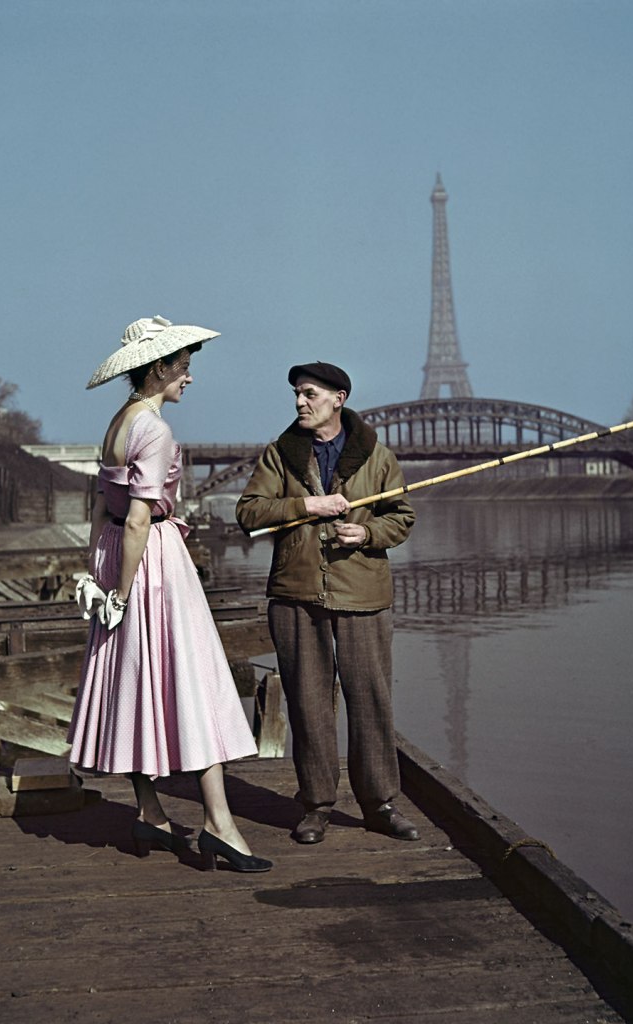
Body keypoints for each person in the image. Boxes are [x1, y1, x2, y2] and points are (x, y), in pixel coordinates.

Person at [67, 316, 272, 873]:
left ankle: (151, 813)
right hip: (151, 561)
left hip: (115, 555)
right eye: (184, 366)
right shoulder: (155, 430)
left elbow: (100, 507)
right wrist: (126, 591)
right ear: (159, 368)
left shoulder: (119, 420)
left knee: (130, 681)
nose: (189, 377)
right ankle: (219, 826)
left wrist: (101, 575)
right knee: (193, 685)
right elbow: (139, 519)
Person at [235, 361, 418, 844]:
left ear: (339, 398)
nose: (300, 402)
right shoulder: (280, 455)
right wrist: (306, 506)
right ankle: (316, 805)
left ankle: (380, 804)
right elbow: (249, 512)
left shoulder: (377, 456)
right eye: (297, 394)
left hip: (365, 596)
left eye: (310, 393)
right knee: (309, 702)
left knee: (371, 701)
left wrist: (368, 531)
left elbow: (401, 516)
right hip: (296, 595)